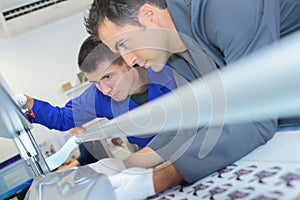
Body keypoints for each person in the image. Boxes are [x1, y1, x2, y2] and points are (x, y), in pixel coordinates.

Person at [84, 0, 300, 199]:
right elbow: (192, 118)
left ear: (149, 15)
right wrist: (126, 165)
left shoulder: (224, 6)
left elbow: (255, 114)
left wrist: (159, 178)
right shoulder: (178, 49)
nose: (129, 60)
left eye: (124, 44)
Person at [14, 36, 178, 161]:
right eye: (95, 82)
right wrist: (26, 102)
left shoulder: (169, 68)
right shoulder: (98, 97)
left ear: (127, 62)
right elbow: (62, 118)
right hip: (157, 160)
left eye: (108, 76)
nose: (105, 90)